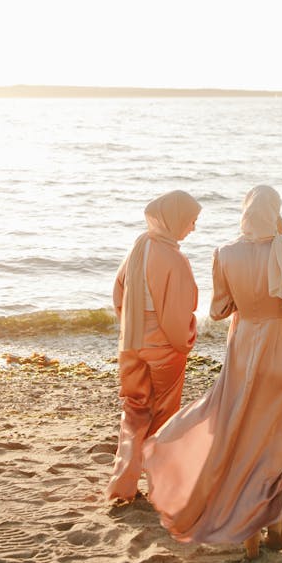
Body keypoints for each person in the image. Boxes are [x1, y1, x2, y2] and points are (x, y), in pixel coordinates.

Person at [143, 185, 282, 559]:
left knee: (241, 437)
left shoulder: (224, 253)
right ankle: (274, 526)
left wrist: (246, 302)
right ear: (274, 212)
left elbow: (219, 310)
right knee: (277, 436)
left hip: (242, 350)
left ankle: (250, 535)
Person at [105, 189, 201, 503]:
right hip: (162, 345)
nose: (193, 228)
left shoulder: (138, 245)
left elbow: (118, 292)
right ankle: (159, 487)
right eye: (191, 221)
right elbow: (176, 315)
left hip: (131, 340)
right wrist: (185, 340)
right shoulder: (174, 258)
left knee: (133, 412)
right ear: (175, 220)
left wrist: (129, 326)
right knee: (163, 415)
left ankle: (123, 486)